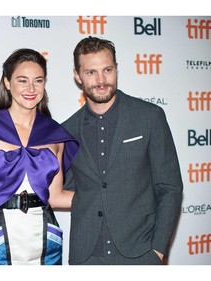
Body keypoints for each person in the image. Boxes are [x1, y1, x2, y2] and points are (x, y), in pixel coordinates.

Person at [61, 36, 183, 265]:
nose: (101, 80)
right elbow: (64, 188)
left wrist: (158, 250)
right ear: (77, 76)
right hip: (86, 257)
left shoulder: (149, 117)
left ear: (116, 69)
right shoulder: (67, 131)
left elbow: (170, 187)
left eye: (107, 70)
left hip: (140, 253)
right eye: (91, 72)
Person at [0, 48, 79, 265]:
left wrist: (107, 199)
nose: (31, 88)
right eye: (22, 80)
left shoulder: (55, 135)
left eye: (38, 81)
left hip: (46, 242)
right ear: (7, 83)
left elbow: (55, 197)